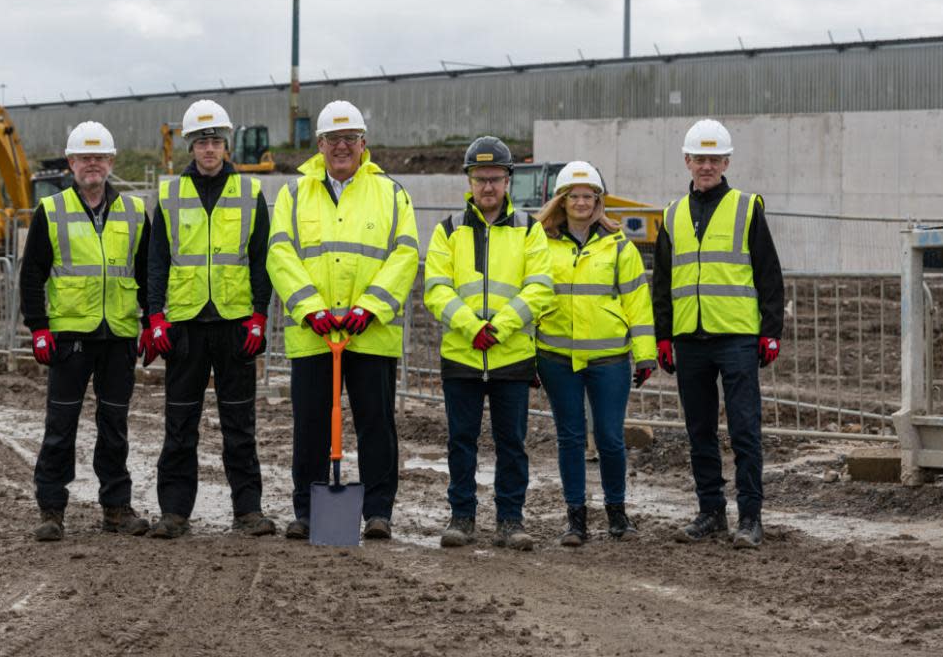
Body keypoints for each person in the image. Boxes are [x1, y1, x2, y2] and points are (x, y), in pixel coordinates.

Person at [267, 100, 419, 541]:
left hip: (369, 333)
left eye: (349, 139)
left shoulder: (390, 193)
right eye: (333, 140)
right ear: (320, 145)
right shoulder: (294, 194)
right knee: (311, 424)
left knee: (376, 423)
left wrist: (370, 307)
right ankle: (309, 511)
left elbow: (405, 254)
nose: (341, 147)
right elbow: (280, 253)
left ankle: (377, 512)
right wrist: (309, 307)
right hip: (314, 334)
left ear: (363, 144)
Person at [142, 100, 275, 539]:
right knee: (180, 424)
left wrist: (259, 315)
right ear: (190, 146)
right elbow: (156, 262)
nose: (210, 149)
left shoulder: (250, 193)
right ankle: (175, 512)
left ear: (226, 145)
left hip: (236, 324)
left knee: (240, 424)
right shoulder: (169, 195)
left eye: (216, 141)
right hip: (185, 326)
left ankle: (248, 510)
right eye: (202, 142)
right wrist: (155, 317)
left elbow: (261, 261)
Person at [651, 119, 784, 549]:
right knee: (700, 430)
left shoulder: (746, 208)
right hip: (690, 339)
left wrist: (770, 331)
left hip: (737, 338)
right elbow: (663, 281)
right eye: (699, 159)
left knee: (745, 429)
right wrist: (664, 336)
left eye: (714, 159)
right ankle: (711, 512)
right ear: (687, 161)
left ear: (726, 162)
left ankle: (750, 517)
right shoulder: (671, 216)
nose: (706, 166)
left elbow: (769, 273)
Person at [21, 120, 151, 542]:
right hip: (69, 338)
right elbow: (31, 274)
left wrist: (153, 319)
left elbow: (148, 273)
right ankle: (51, 509)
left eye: (100, 157)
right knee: (61, 425)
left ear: (111, 162)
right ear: (71, 162)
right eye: (84, 157)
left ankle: (116, 507)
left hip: (118, 336)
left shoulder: (133, 212)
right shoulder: (51, 210)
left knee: (114, 426)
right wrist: (38, 328)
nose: (92, 164)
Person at [423, 136, 553, 551]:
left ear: (508, 180)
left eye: (495, 178)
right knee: (461, 441)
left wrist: (498, 327)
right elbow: (436, 289)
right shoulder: (448, 231)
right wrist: (469, 326)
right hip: (462, 356)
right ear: (469, 181)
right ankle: (461, 516)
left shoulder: (530, 231)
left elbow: (540, 288)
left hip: (511, 356)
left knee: (511, 443)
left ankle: (510, 519)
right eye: (480, 179)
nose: (488, 187)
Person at [534, 161, 656, 547]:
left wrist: (646, 354)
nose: (582, 202)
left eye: (589, 196)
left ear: (599, 202)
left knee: (609, 437)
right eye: (575, 196)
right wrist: (525, 354)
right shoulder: (541, 243)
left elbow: (637, 302)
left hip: (609, 360)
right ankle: (576, 520)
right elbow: (530, 300)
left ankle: (617, 515)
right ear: (562, 201)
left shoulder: (619, 245)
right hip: (556, 358)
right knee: (569, 437)